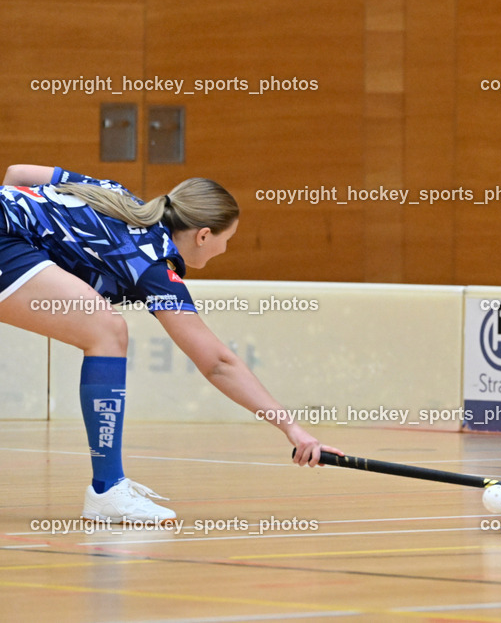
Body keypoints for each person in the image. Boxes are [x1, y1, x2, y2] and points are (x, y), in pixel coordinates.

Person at [0, 164, 341, 524]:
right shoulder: (153, 267)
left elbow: (17, 175)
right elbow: (217, 363)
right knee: (106, 331)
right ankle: (107, 490)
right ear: (204, 235)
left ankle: (108, 487)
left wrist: (33, 238)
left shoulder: (116, 195)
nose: (224, 250)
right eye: (228, 239)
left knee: (103, 327)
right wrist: (292, 428)